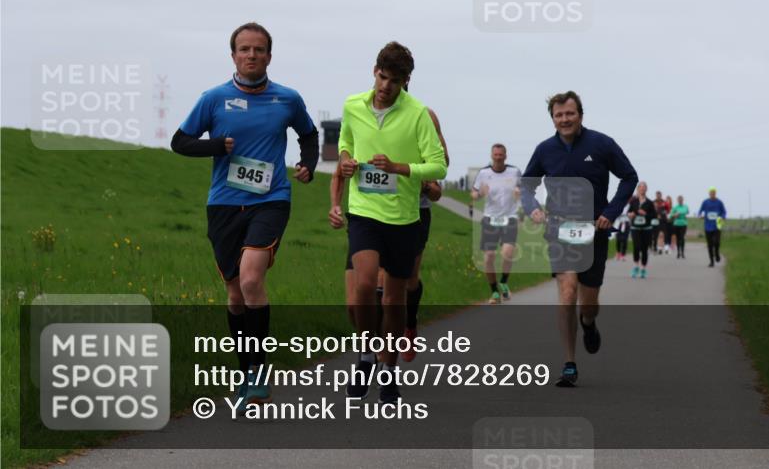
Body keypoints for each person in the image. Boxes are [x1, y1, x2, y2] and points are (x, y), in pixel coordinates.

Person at [171, 22, 318, 413]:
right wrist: (216, 146)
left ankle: (259, 372)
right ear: (233, 55)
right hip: (223, 204)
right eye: (244, 49)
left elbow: (309, 134)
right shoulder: (213, 99)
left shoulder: (287, 99)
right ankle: (245, 373)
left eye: (259, 50)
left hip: (270, 200)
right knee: (235, 294)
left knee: (253, 278)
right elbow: (179, 142)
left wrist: (308, 164)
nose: (251, 55)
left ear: (270, 56)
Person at [335, 42, 448, 402]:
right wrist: (346, 159)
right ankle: (366, 355)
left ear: (406, 82)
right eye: (383, 77)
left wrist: (400, 168)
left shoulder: (418, 114)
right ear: (374, 71)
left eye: (395, 81)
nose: (386, 86)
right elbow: (345, 140)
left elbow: (439, 165)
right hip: (365, 211)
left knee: (395, 299)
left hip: (404, 217)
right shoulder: (353, 105)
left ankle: (389, 369)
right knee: (365, 286)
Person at [521, 91, 637, 387]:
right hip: (559, 230)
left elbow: (629, 176)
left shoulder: (601, 144)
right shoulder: (545, 149)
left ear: (580, 115)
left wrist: (611, 212)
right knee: (568, 291)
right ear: (553, 119)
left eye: (569, 114)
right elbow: (527, 186)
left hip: (594, 230)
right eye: (559, 115)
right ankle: (569, 363)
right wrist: (533, 208)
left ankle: (588, 322)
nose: (564, 120)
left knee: (588, 302)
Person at [471, 144, 522, 304]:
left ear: (505, 156)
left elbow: (523, 189)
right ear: (491, 155)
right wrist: (480, 193)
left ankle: (504, 282)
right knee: (489, 257)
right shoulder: (484, 173)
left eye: (501, 154)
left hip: (510, 217)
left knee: (507, 252)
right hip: (490, 218)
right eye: (496, 154)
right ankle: (494, 292)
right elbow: (473, 194)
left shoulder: (514, 171)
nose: (498, 157)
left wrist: (518, 193)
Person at [628, 182, 656, 279]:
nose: (642, 189)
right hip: (635, 227)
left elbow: (654, 216)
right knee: (636, 247)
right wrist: (630, 215)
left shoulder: (650, 202)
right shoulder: (633, 201)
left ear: (646, 189)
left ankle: (643, 268)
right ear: (637, 189)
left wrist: (645, 214)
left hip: (646, 228)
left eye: (644, 188)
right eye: (640, 187)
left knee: (644, 248)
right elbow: (629, 212)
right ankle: (636, 267)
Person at [698, 187, 727, 267]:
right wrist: (700, 215)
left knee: (717, 242)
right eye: (711, 192)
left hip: (718, 223)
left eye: (714, 192)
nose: (712, 194)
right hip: (708, 225)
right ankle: (711, 261)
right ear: (709, 193)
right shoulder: (705, 202)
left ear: (715, 193)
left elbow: (724, 211)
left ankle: (717, 253)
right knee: (710, 244)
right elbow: (700, 211)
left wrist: (723, 217)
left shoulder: (719, 202)